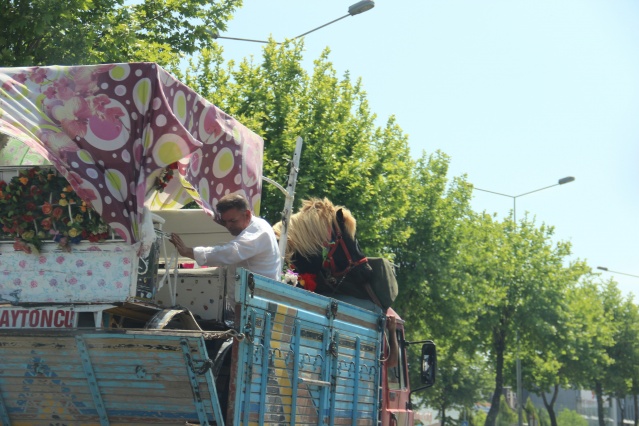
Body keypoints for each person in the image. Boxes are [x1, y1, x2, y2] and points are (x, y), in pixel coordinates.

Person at [169, 194, 282, 280]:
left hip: (258, 300)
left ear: (247, 214)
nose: (228, 226)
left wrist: (189, 252)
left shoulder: (258, 232)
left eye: (233, 221)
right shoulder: (256, 227)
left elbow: (230, 252)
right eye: (224, 221)